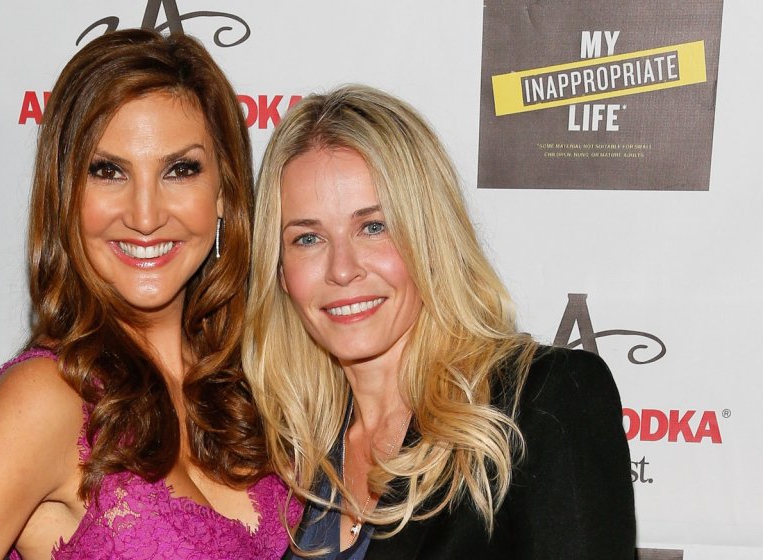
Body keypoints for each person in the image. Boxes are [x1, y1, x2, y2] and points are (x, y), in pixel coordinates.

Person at [0, 29, 300, 560]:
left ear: (223, 193)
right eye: (108, 172)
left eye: (180, 170)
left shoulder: (253, 382)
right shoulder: (48, 398)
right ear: (66, 196)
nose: (145, 216)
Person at [243, 84, 635, 559]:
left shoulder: (544, 401)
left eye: (373, 227)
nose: (342, 269)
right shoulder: (285, 452)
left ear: (431, 238)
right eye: (308, 238)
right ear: (280, 271)